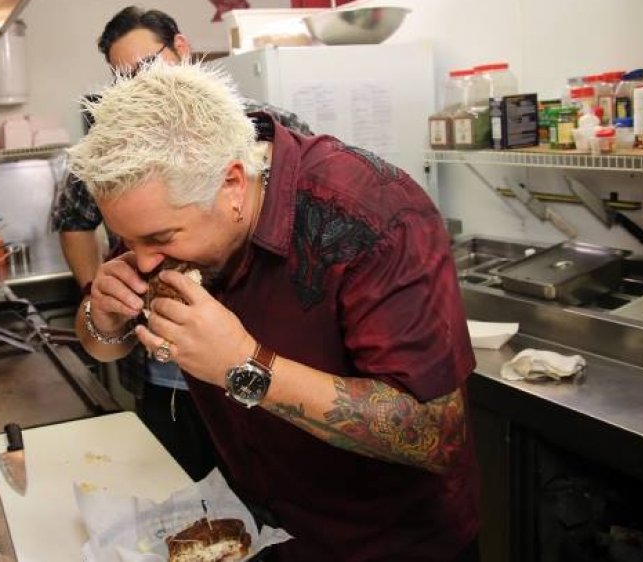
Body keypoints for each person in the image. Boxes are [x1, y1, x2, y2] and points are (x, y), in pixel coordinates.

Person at [67, 61, 480, 561]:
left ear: (234, 185)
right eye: (129, 241)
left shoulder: (376, 217)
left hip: (388, 545)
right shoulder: (163, 208)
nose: (145, 259)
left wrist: (245, 366)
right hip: (262, 534)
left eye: (158, 239)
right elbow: (98, 343)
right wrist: (103, 315)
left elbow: (437, 433)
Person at [50, 6, 312, 481]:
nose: (138, 85)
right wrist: (101, 292)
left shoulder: (260, 126)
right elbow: (71, 219)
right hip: (167, 380)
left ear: (183, 49)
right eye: (122, 77)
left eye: (147, 67)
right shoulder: (115, 151)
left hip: (268, 369)